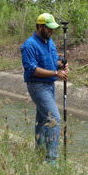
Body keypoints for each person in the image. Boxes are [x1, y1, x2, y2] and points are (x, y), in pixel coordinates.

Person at [21, 13, 69, 165]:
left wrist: (61, 64)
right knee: (54, 119)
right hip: (37, 86)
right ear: (40, 26)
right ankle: (51, 161)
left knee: (42, 120)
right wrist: (57, 73)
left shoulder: (50, 42)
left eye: (52, 29)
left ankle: (40, 152)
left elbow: (53, 60)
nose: (51, 31)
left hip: (49, 85)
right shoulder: (29, 45)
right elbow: (32, 70)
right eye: (48, 28)